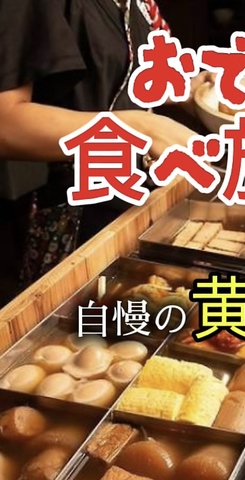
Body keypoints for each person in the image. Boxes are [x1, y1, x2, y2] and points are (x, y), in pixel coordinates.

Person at [0, 0, 212, 286]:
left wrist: (188, 90)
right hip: (74, 213)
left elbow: (118, 78)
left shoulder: (139, 5)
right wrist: (139, 128)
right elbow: (6, 123)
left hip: (132, 200)